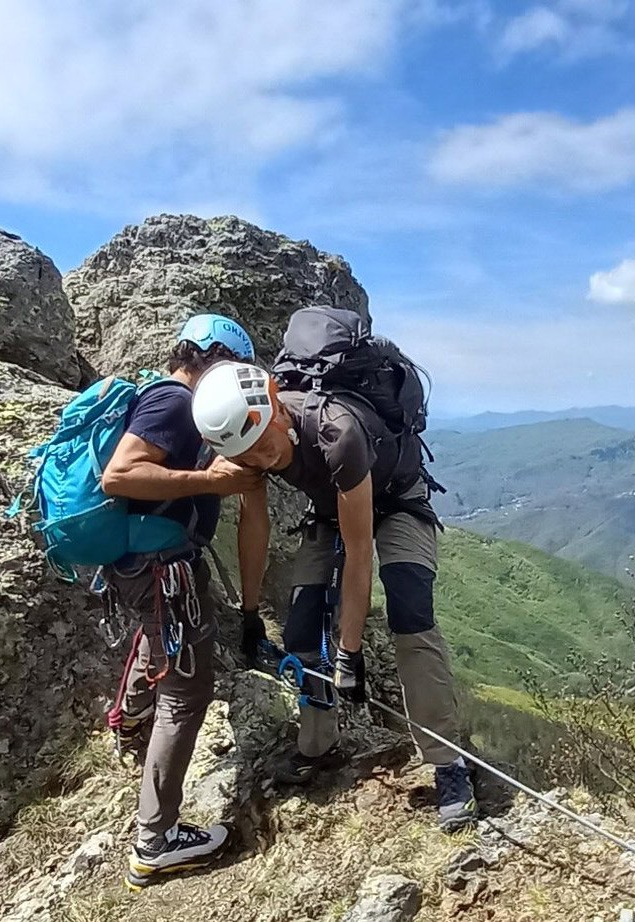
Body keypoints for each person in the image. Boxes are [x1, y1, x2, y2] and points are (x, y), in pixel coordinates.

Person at [189, 360, 478, 832]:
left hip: (398, 499)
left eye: (265, 445)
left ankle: (449, 765)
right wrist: (249, 612)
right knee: (302, 628)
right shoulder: (244, 449)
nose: (261, 460)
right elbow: (254, 526)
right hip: (330, 511)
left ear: (276, 406)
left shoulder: (336, 432)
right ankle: (318, 745)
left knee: (411, 613)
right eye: (248, 456)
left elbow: (360, 549)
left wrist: (350, 651)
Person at [96, 314, 263, 890]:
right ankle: (155, 841)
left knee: (154, 634)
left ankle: (129, 716)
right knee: (188, 694)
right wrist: (210, 484)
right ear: (211, 356)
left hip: (139, 562)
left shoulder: (158, 393)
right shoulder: (172, 402)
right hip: (163, 569)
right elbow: (121, 476)